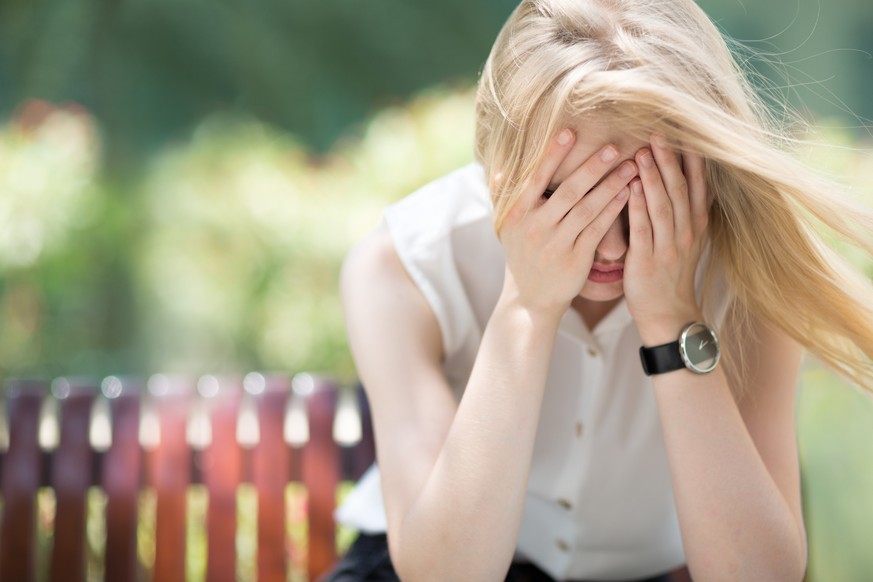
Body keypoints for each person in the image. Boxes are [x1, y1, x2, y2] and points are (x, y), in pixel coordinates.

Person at [325, 0, 873, 580]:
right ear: (495, 167)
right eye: (570, 203)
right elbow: (442, 573)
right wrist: (527, 306)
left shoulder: (750, 269)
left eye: (644, 199)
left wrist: (672, 320)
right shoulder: (403, 265)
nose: (609, 249)